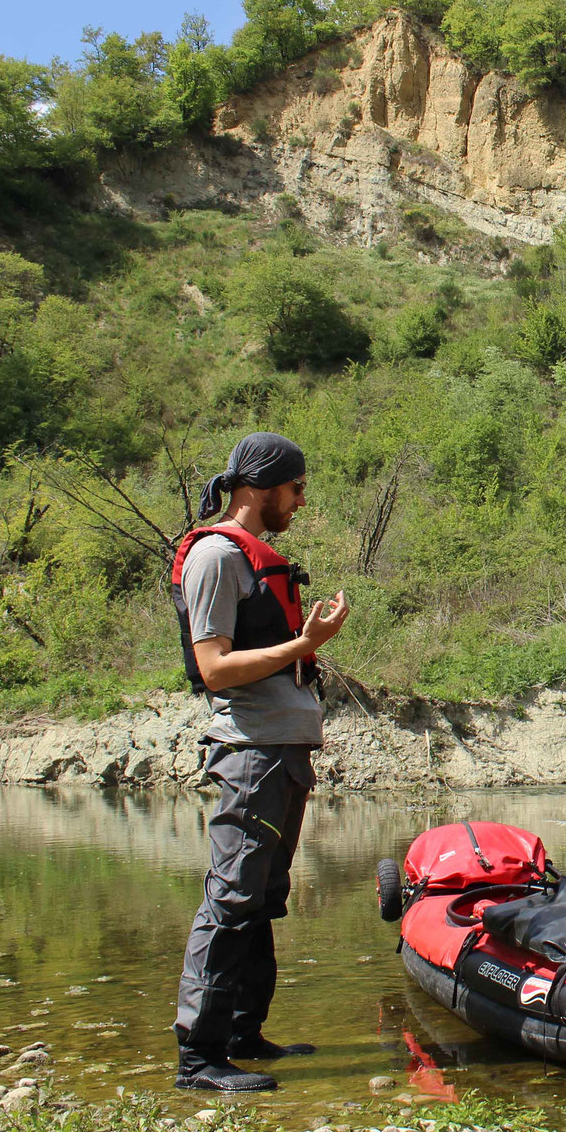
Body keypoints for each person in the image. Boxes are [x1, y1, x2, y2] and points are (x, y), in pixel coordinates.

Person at [168, 432, 350, 1091]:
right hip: (250, 752)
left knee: (262, 897)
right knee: (231, 897)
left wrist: (306, 645)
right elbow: (214, 668)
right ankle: (199, 1057)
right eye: (296, 488)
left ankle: (244, 1033)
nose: (301, 501)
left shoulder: (248, 557)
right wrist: (304, 642)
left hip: (282, 752)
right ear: (263, 486)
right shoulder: (216, 557)